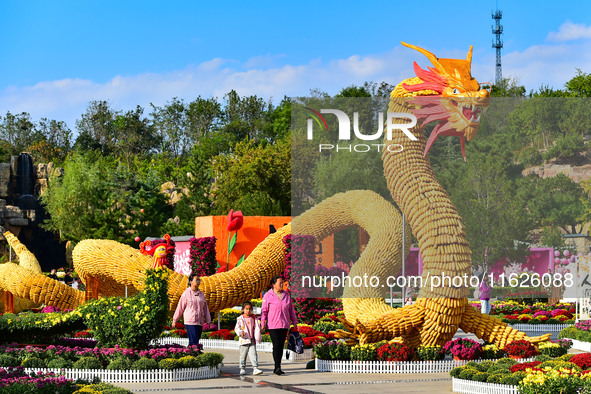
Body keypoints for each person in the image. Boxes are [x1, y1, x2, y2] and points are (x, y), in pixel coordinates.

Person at [261, 275, 298, 376]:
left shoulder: (286, 295)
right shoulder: (268, 295)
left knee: (281, 346)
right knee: (276, 345)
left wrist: (294, 322)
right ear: (273, 285)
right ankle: (277, 367)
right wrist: (263, 323)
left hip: (284, 324)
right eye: (280, 283)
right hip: (273, 325)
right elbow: (264, 311)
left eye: (283, 283)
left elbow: (291, 310)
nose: (282, 285)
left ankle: (278, 366)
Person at [172, 274, 211, 346]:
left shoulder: (201, 294)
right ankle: (194, 354)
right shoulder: (186, 293)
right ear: (191, 282)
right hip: (190, 321)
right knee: (194, 342)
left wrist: (208, 320)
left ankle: (189, 354)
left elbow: (205, 308)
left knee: (195, 341)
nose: (198, 282)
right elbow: (180, 307)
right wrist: (175, 320)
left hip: (199, 321)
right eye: (196, 280)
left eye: (199, 280)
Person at [235, 301, 263, 376]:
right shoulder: (240, 319)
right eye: (246, 309)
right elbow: (237, 328)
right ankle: (242, 368)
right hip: (244, 340)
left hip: (252, 339)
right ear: (243, 309)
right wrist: (240, 333)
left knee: (253, 354)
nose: (248, 311)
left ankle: (255, 368)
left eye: (250, 309)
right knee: (243, 355)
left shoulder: (254, 318)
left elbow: (256, 328)